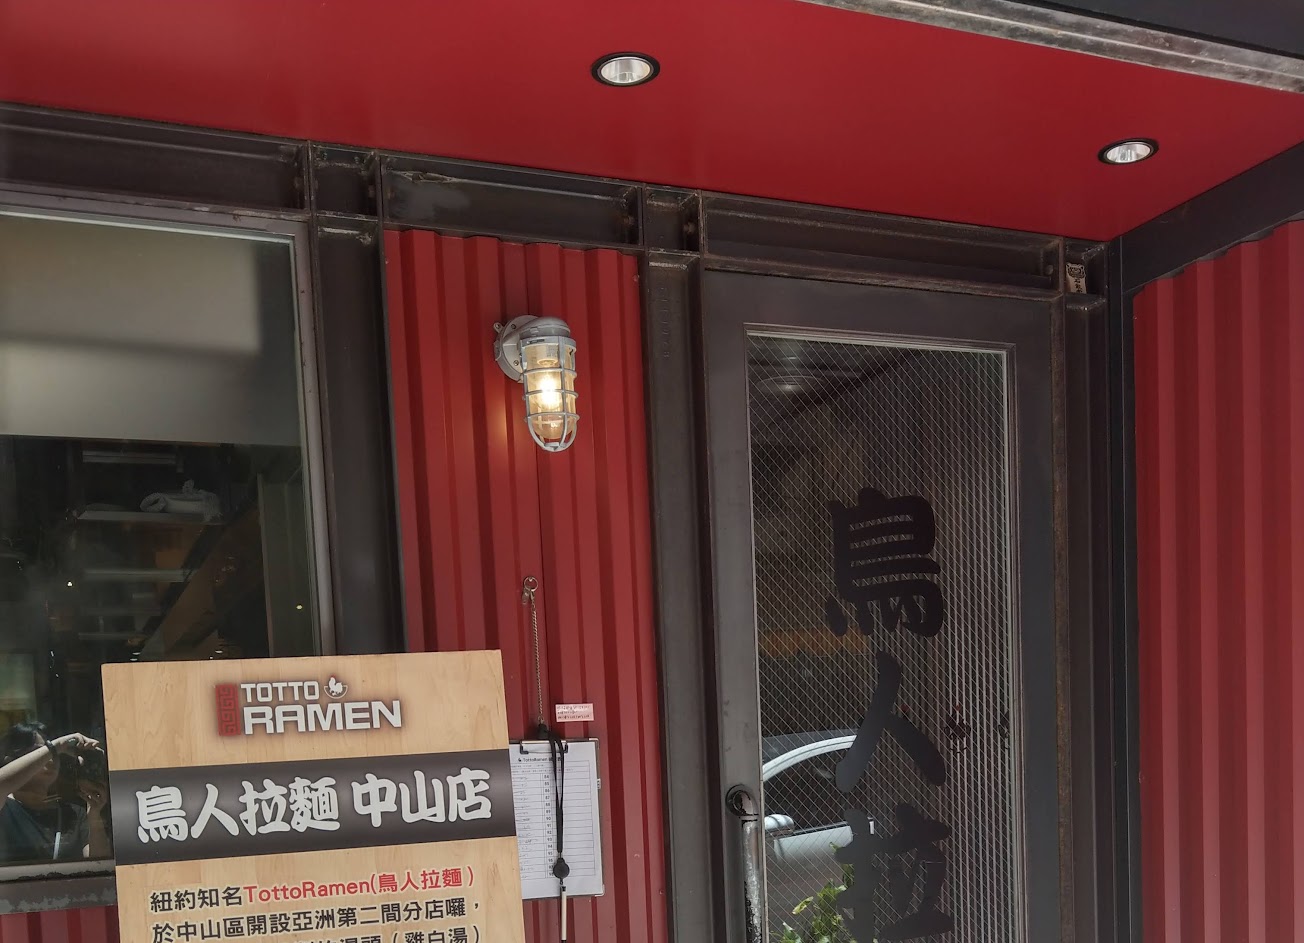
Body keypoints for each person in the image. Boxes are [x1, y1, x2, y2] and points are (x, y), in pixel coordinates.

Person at [0, 722, 109, 865]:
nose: (51, 759)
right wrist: (56, 746)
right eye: (40, 752)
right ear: (10, 761)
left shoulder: (74, 814)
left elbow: (97, 864)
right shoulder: (5, 808)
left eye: (55, 754)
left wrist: (95, 817)